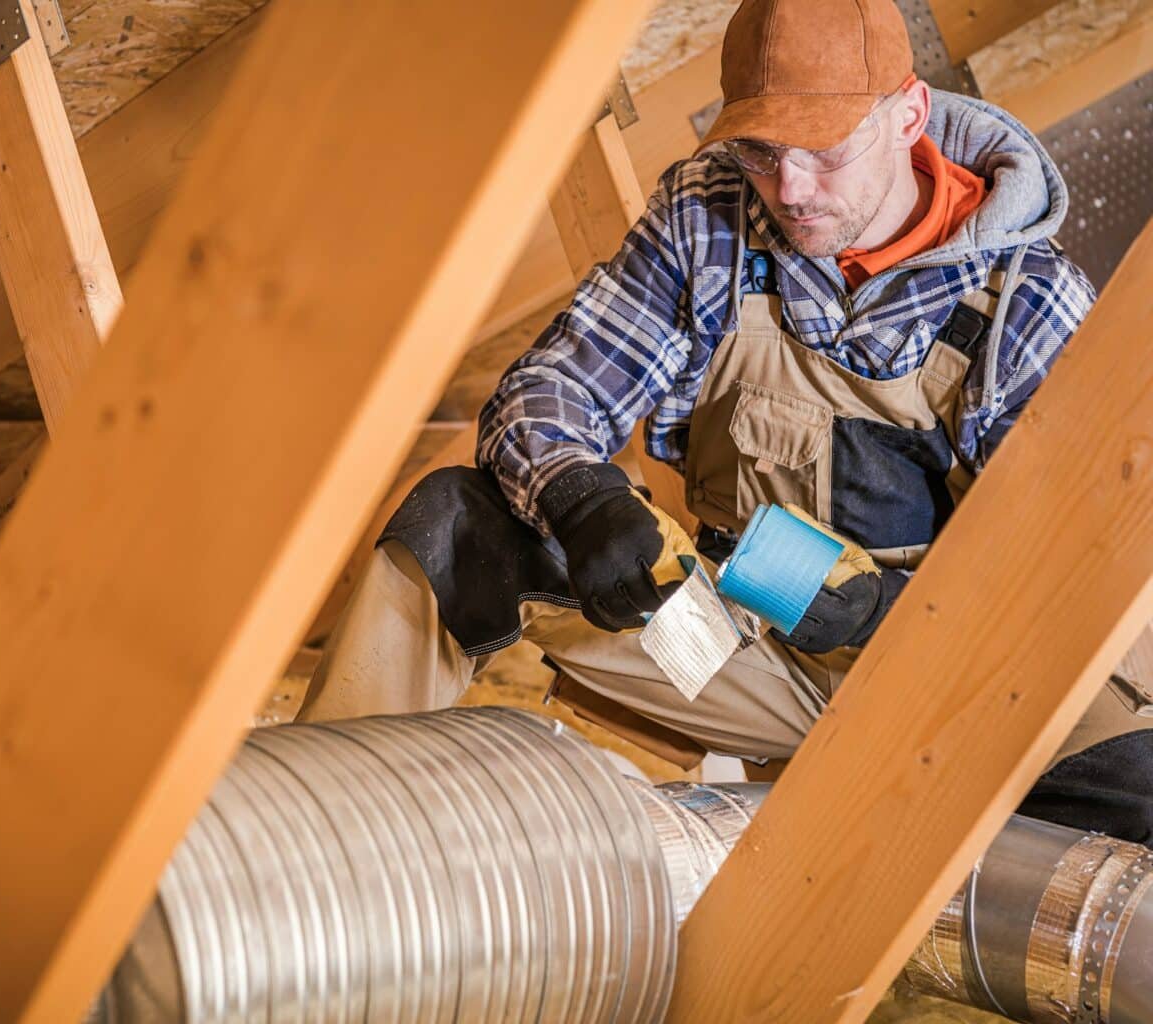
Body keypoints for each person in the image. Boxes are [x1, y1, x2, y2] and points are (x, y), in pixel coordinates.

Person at [299, 0, 1153, 842]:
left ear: (908, 115)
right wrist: (583, 499)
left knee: (1136, 794)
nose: (789, 190)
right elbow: (552, 389)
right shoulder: (708, 216)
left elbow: (1072, 575)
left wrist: (889, 615)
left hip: (966, 675)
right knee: (458, 527)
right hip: (740, 647)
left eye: (823, 154)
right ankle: (311, 840)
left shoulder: (1026, 302)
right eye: (760, 151)